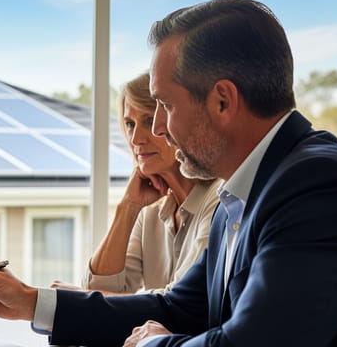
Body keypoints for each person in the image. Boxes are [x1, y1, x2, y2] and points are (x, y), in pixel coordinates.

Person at [0, 0, 337, 347]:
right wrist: (31, 302)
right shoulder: (244, 189)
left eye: (163, 105)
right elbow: (177, 309)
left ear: (223, 100)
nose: (157, 128)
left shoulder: (317, 185)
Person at [54, 72, 219, 294]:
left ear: (175, 121)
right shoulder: (149, 213)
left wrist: (78, 300)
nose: (136, 139)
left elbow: (180, 302)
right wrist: (128, 207)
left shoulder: (219, 200)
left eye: (149, 121)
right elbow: (98, 288)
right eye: (130, 124)